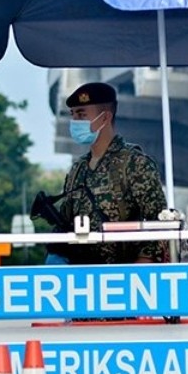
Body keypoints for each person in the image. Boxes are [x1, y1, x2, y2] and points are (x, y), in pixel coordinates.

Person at [49, 82, 169, 265]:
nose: (75, 122)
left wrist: (143, 266)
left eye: (81, 115)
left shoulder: (135, 164)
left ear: (104, 118)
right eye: (73, 115)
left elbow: (159, 222)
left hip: (123, 272)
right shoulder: (78, 169)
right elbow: (66, 221)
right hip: (80, 273)